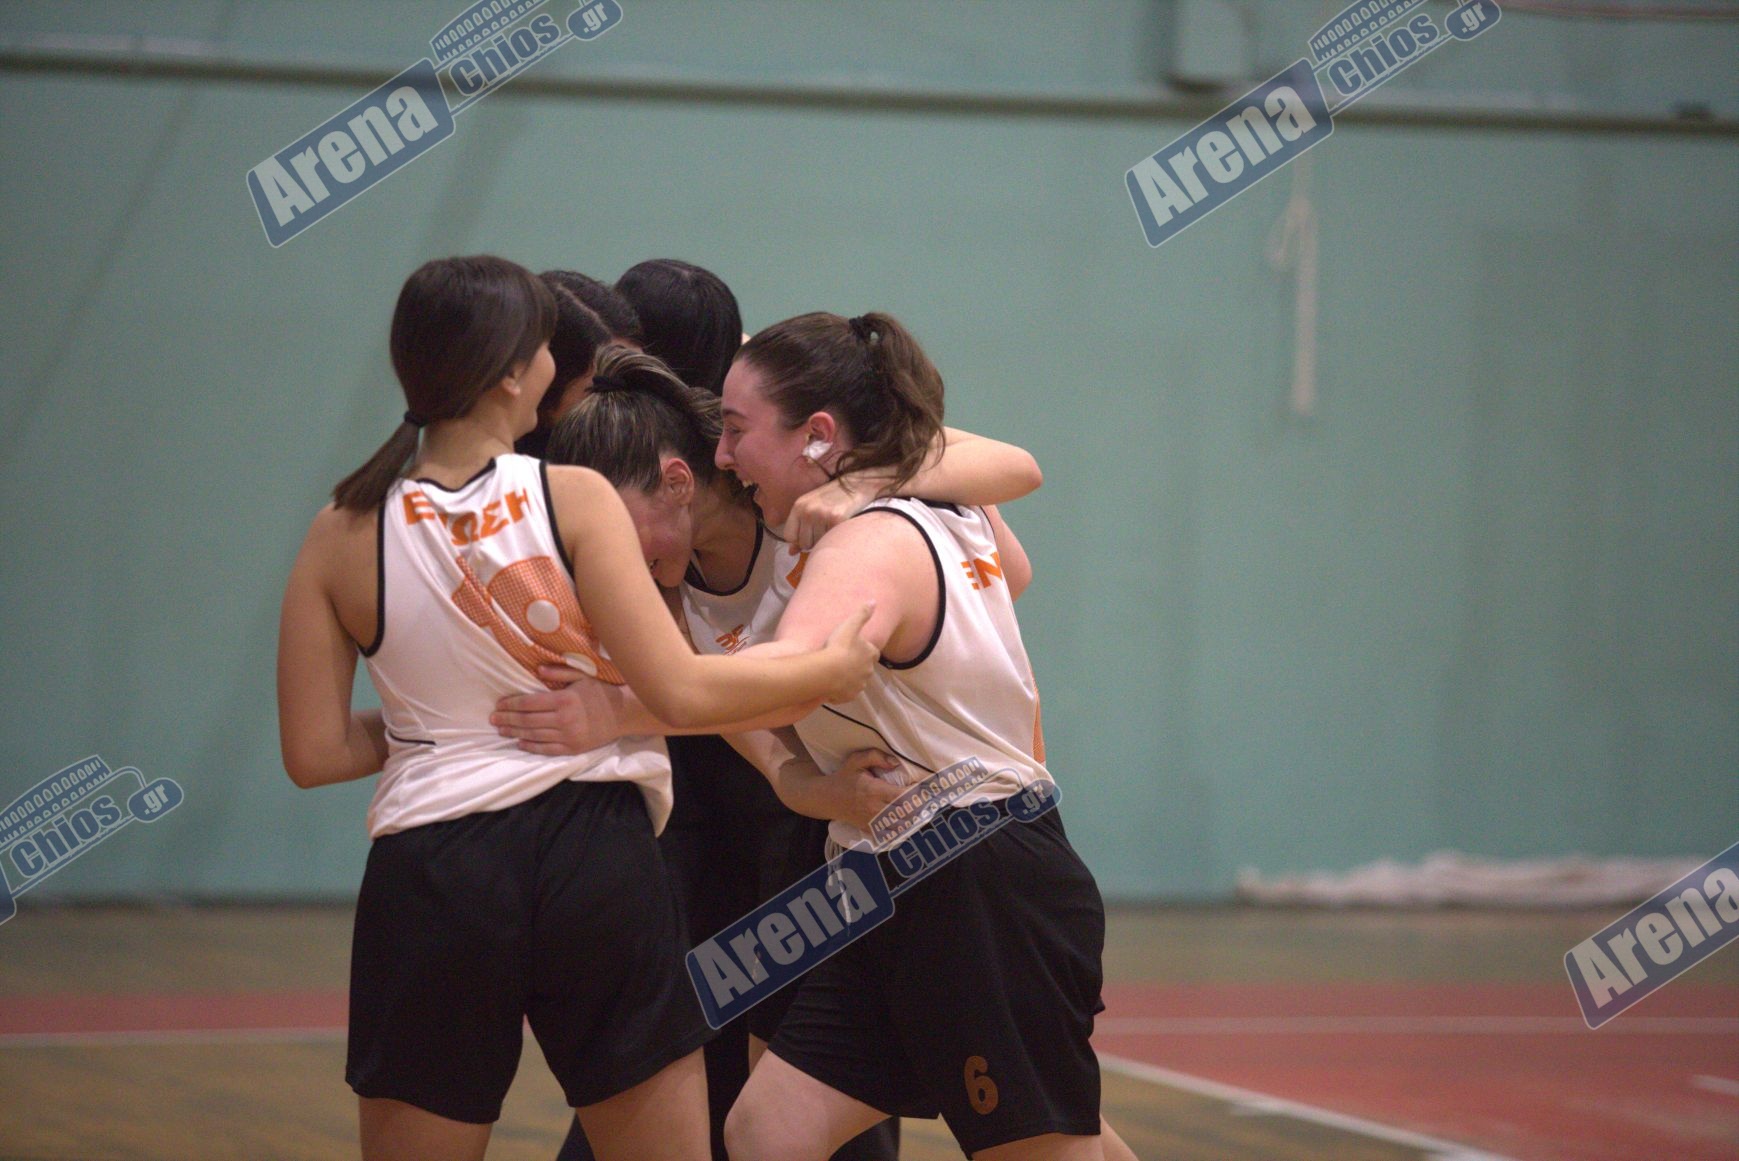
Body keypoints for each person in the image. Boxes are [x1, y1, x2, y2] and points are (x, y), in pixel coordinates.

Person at [275, 255, 878, 1161]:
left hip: (432, 873)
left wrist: (448, 724)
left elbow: (315, 752)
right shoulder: (575, 495)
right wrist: (827, 667)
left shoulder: (340, 528)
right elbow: (677, 688)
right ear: (513, 372)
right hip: (592, 855)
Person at [521, 341, 1042, 1161]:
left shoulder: (822, 506)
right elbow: (771, 755)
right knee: (770, 1122)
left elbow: (1015, 482)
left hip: (972, 836)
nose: (605, 558)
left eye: (610, 529)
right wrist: (826, 791)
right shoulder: (663, 604)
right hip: (853, 841)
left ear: (678, 481)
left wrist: (871, 483)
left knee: (1038, 1124)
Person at [713, 311, 1138, 1161]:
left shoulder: (869, 539)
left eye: (735, 429)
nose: (723, 456)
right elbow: (1013, 567)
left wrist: (634, 694)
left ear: (816, 434)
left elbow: (793, 673)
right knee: (767, 1132)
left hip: (972, 875)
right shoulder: (940, 500)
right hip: (891, 874)